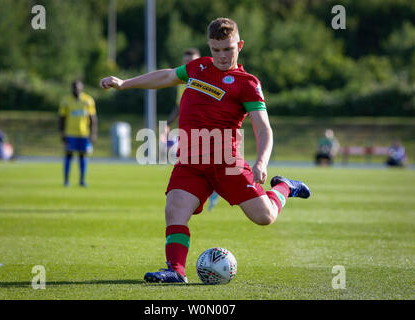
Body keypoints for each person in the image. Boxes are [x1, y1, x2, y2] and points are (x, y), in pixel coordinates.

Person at [100, 17, 311, 283]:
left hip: (227, 162)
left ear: (240, 45)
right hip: (190, 162)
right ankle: (176, 271)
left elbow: (263, 128)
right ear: (209, 47)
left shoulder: (247, 83)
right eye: (216, 49)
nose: (222, 56)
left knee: (265, 216)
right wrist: (124, 83)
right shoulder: (197, 67)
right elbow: (166, 75)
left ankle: (285, 187)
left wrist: (261, 162)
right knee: (175, 207)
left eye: (228, 49)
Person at [161, 48, 220, 211]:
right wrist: (167, 124)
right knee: (193, 165)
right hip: (188, 131)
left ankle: (212, 191)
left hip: (210, 131)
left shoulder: (211, 78)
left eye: (192, 61)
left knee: (208, 164)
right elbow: (179, 106)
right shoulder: (183, 82)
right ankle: (206, 193)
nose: (189, 64)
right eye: (186, 61)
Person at [59, 80, 97, 187]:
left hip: (84, 133)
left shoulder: (88, 100)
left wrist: (93, 133)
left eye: (78, 87)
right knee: (68, 155)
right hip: (70, 133)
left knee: (82, 156)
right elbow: (62, 118)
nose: (76, 90)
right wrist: (62, 133)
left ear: (82, 88)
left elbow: (92, 118)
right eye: (74, 88)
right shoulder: (66, 101)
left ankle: (82, 180)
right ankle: (66, 181)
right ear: (71, 88)